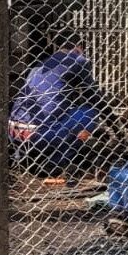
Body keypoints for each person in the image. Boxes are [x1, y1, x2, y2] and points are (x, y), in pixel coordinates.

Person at [9, 29, 106, 180]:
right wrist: (114, 122)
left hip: (14, 131)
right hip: (40, 135)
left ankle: (27, 159)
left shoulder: (41, 64)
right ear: (79, 47)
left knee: (66, 114)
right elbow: (93, 96)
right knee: (89, 113)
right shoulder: (78, 60)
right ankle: (57, 162)